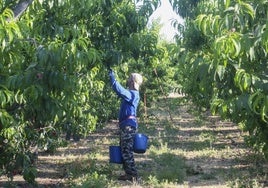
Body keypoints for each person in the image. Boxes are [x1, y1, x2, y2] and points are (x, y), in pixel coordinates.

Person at [108, 69, 143, 181]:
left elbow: (119, 90)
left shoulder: (133, 94)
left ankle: (134, 176)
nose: (127, 80)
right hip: (125, 125)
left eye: (129, 78)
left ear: (132, 82)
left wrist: (113, 79)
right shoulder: (132, 94)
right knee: (124, 150)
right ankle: (128, 174)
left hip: (128, 126)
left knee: (127, 151)